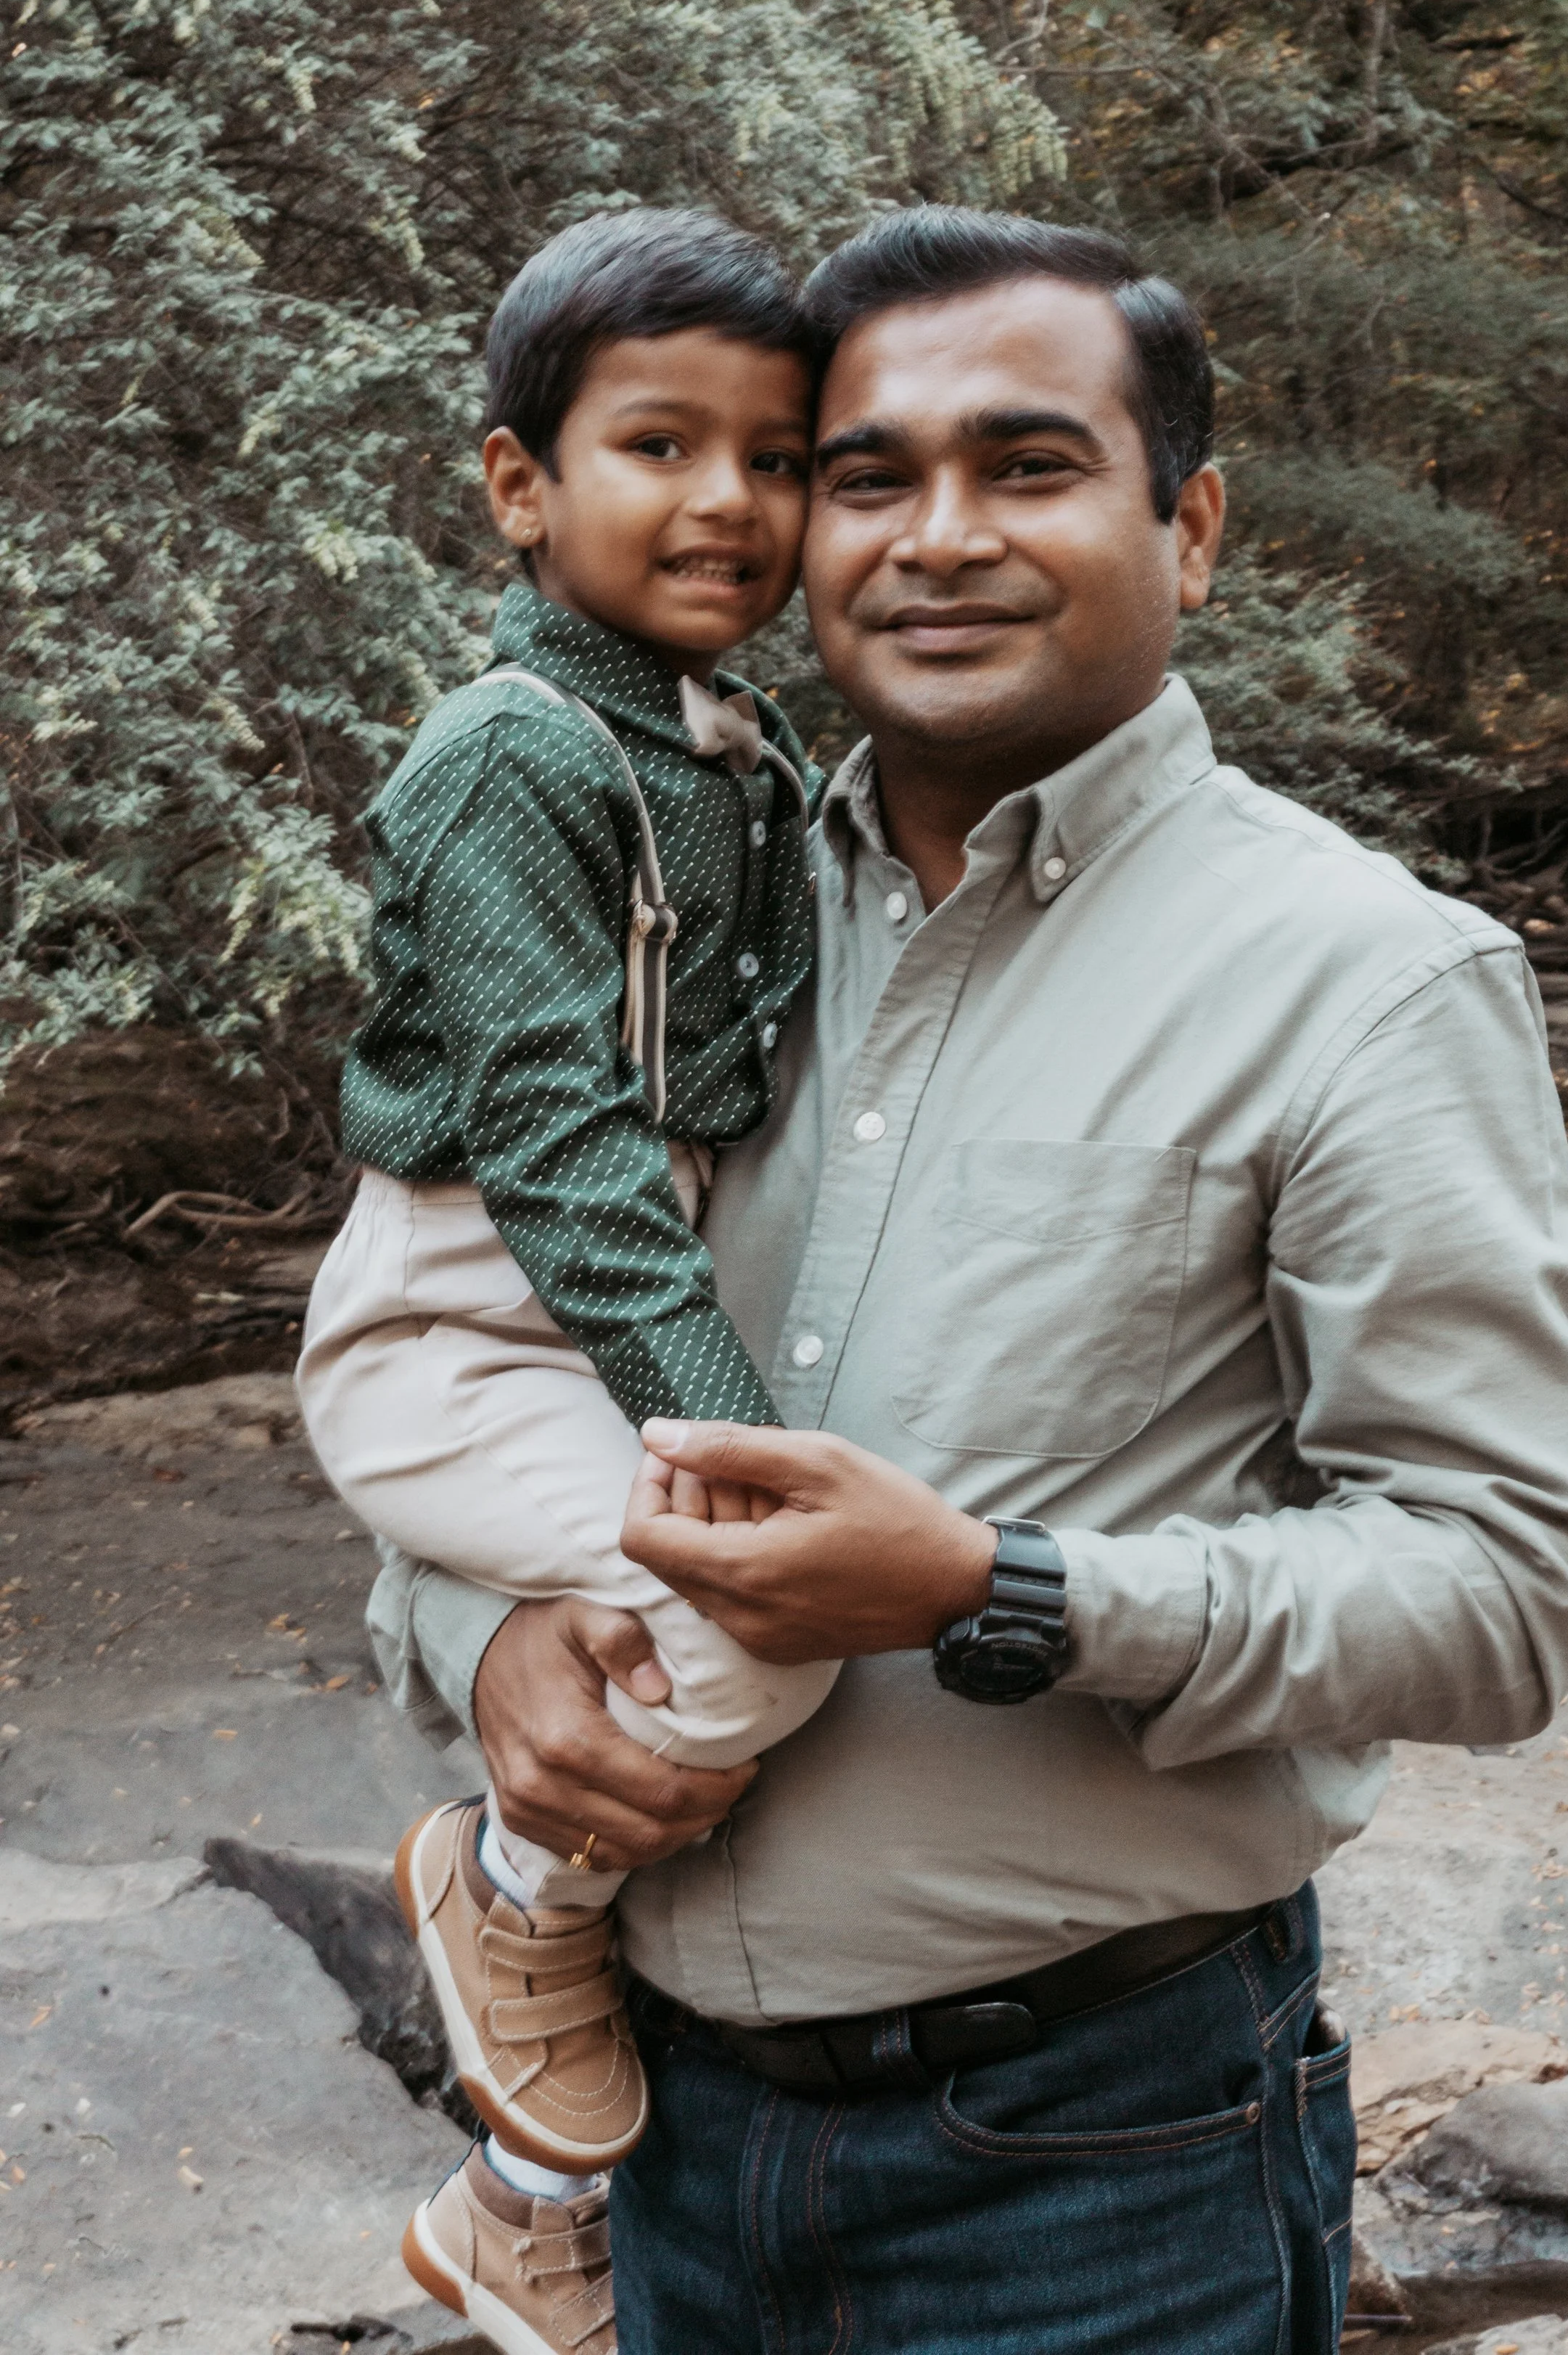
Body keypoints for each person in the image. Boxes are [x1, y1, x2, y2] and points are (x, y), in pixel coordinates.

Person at [374, 208, 1568, 2355]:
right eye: (865, 475)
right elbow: (478, 1355)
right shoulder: (694, 913)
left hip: (1096, 2168)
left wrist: (994, 1588)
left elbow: (1505, 1592)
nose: (933, 537)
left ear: (1190, 524)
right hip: (664, 2150)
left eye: (1028, 465)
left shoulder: (1366, 981)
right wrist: (477, 1638)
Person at [297, 208, 845, 2354]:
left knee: (729, 1620)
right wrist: (733, 1431)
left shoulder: (730, 746)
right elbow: (552, 1133)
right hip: (466, 1312)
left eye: (781, 456)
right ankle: (506, 1890)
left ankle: (523, 2199)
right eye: (658, 444)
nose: (728, 498)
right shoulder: (512, 754)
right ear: (519, 484)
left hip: (607, 1297)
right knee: (754, 1615)